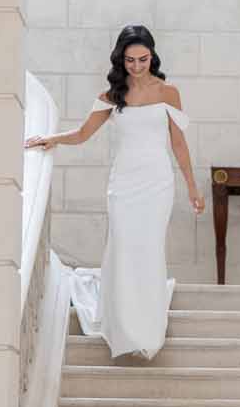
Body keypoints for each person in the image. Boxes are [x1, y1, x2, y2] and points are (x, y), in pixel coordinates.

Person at [25, 24, 204, 359]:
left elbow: (178, 144)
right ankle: (123, 325)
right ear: (121, 59)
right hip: (123, 184)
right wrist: (51, 139)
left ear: (152, 56)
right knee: (123, 247)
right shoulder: (112, 96)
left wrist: (192, 187)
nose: (136, 66)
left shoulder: (169, 93)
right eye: (130, 60)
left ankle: (146, 328)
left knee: (149, 249)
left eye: (143, 59)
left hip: (157, 183)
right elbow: (83, 133)